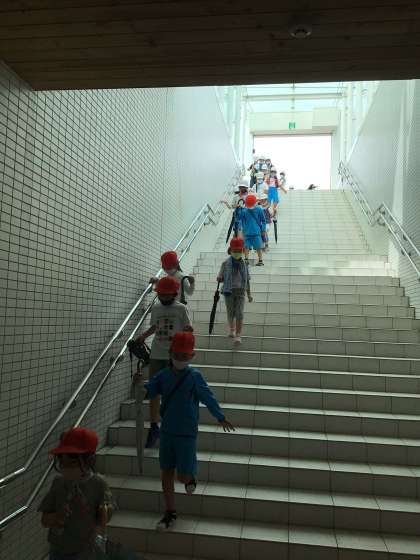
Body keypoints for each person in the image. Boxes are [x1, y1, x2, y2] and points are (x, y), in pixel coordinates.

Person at [142, 332, 235, 530]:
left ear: (192, 356)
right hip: (167, 431)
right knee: (166, 471)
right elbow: (149, 390)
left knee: (182, 477)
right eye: (177, 355)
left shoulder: (194, 377)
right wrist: (139, 384)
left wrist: (220, 416)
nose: (180, 359)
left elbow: (208, 397)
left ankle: (190, 476)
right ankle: (170, 511)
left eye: (184, 356)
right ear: (170, 353)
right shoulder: (163, 375)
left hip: (186, 433)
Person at [38, 427, 114, 560]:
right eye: (62, 462)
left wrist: (100, 512)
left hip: (86, 551)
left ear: (89, 461)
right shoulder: (58, 483)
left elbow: (105, 518)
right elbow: (45, 520)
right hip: (58, 550)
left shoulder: (98, 485)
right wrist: (57, 517)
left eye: (72, 463)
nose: (66, 467)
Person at [135, 276, 193, 448]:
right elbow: (155, 326)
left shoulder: (181, 308)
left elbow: (188, 329)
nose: (164, 297)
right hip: (156, 354)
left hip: (173, 357)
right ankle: (154, 426)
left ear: (174, 294)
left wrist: (188, 333)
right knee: (154, 391)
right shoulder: (156, 307)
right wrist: (143, 336)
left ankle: (171, 424)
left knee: (172, 390)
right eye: (161, 294)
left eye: (167, 295)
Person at [217, 237, 252, 343]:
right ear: (230, 250)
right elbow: (220, 276)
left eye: (239, 251)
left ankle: (238, 334)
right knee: (230, 312)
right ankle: (232, 329)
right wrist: (220, 278)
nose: (237, 253)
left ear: (242, 251)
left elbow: (247, 280)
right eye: (235, 251)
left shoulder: (245, 264)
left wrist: (249, 294)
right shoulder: (225, 263)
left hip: (241, 291)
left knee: (239, 313)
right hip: (228, 291)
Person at [241, 194, 266, 266]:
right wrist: (243, 229)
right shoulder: (244, 210)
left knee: (258, 247)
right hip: (247, 232)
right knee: (246, 246)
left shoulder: (259, 209)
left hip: (256, 232)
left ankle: (260, 260)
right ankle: (246, 259)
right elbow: (241, 220)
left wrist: (263, 229)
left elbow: (263, 221)